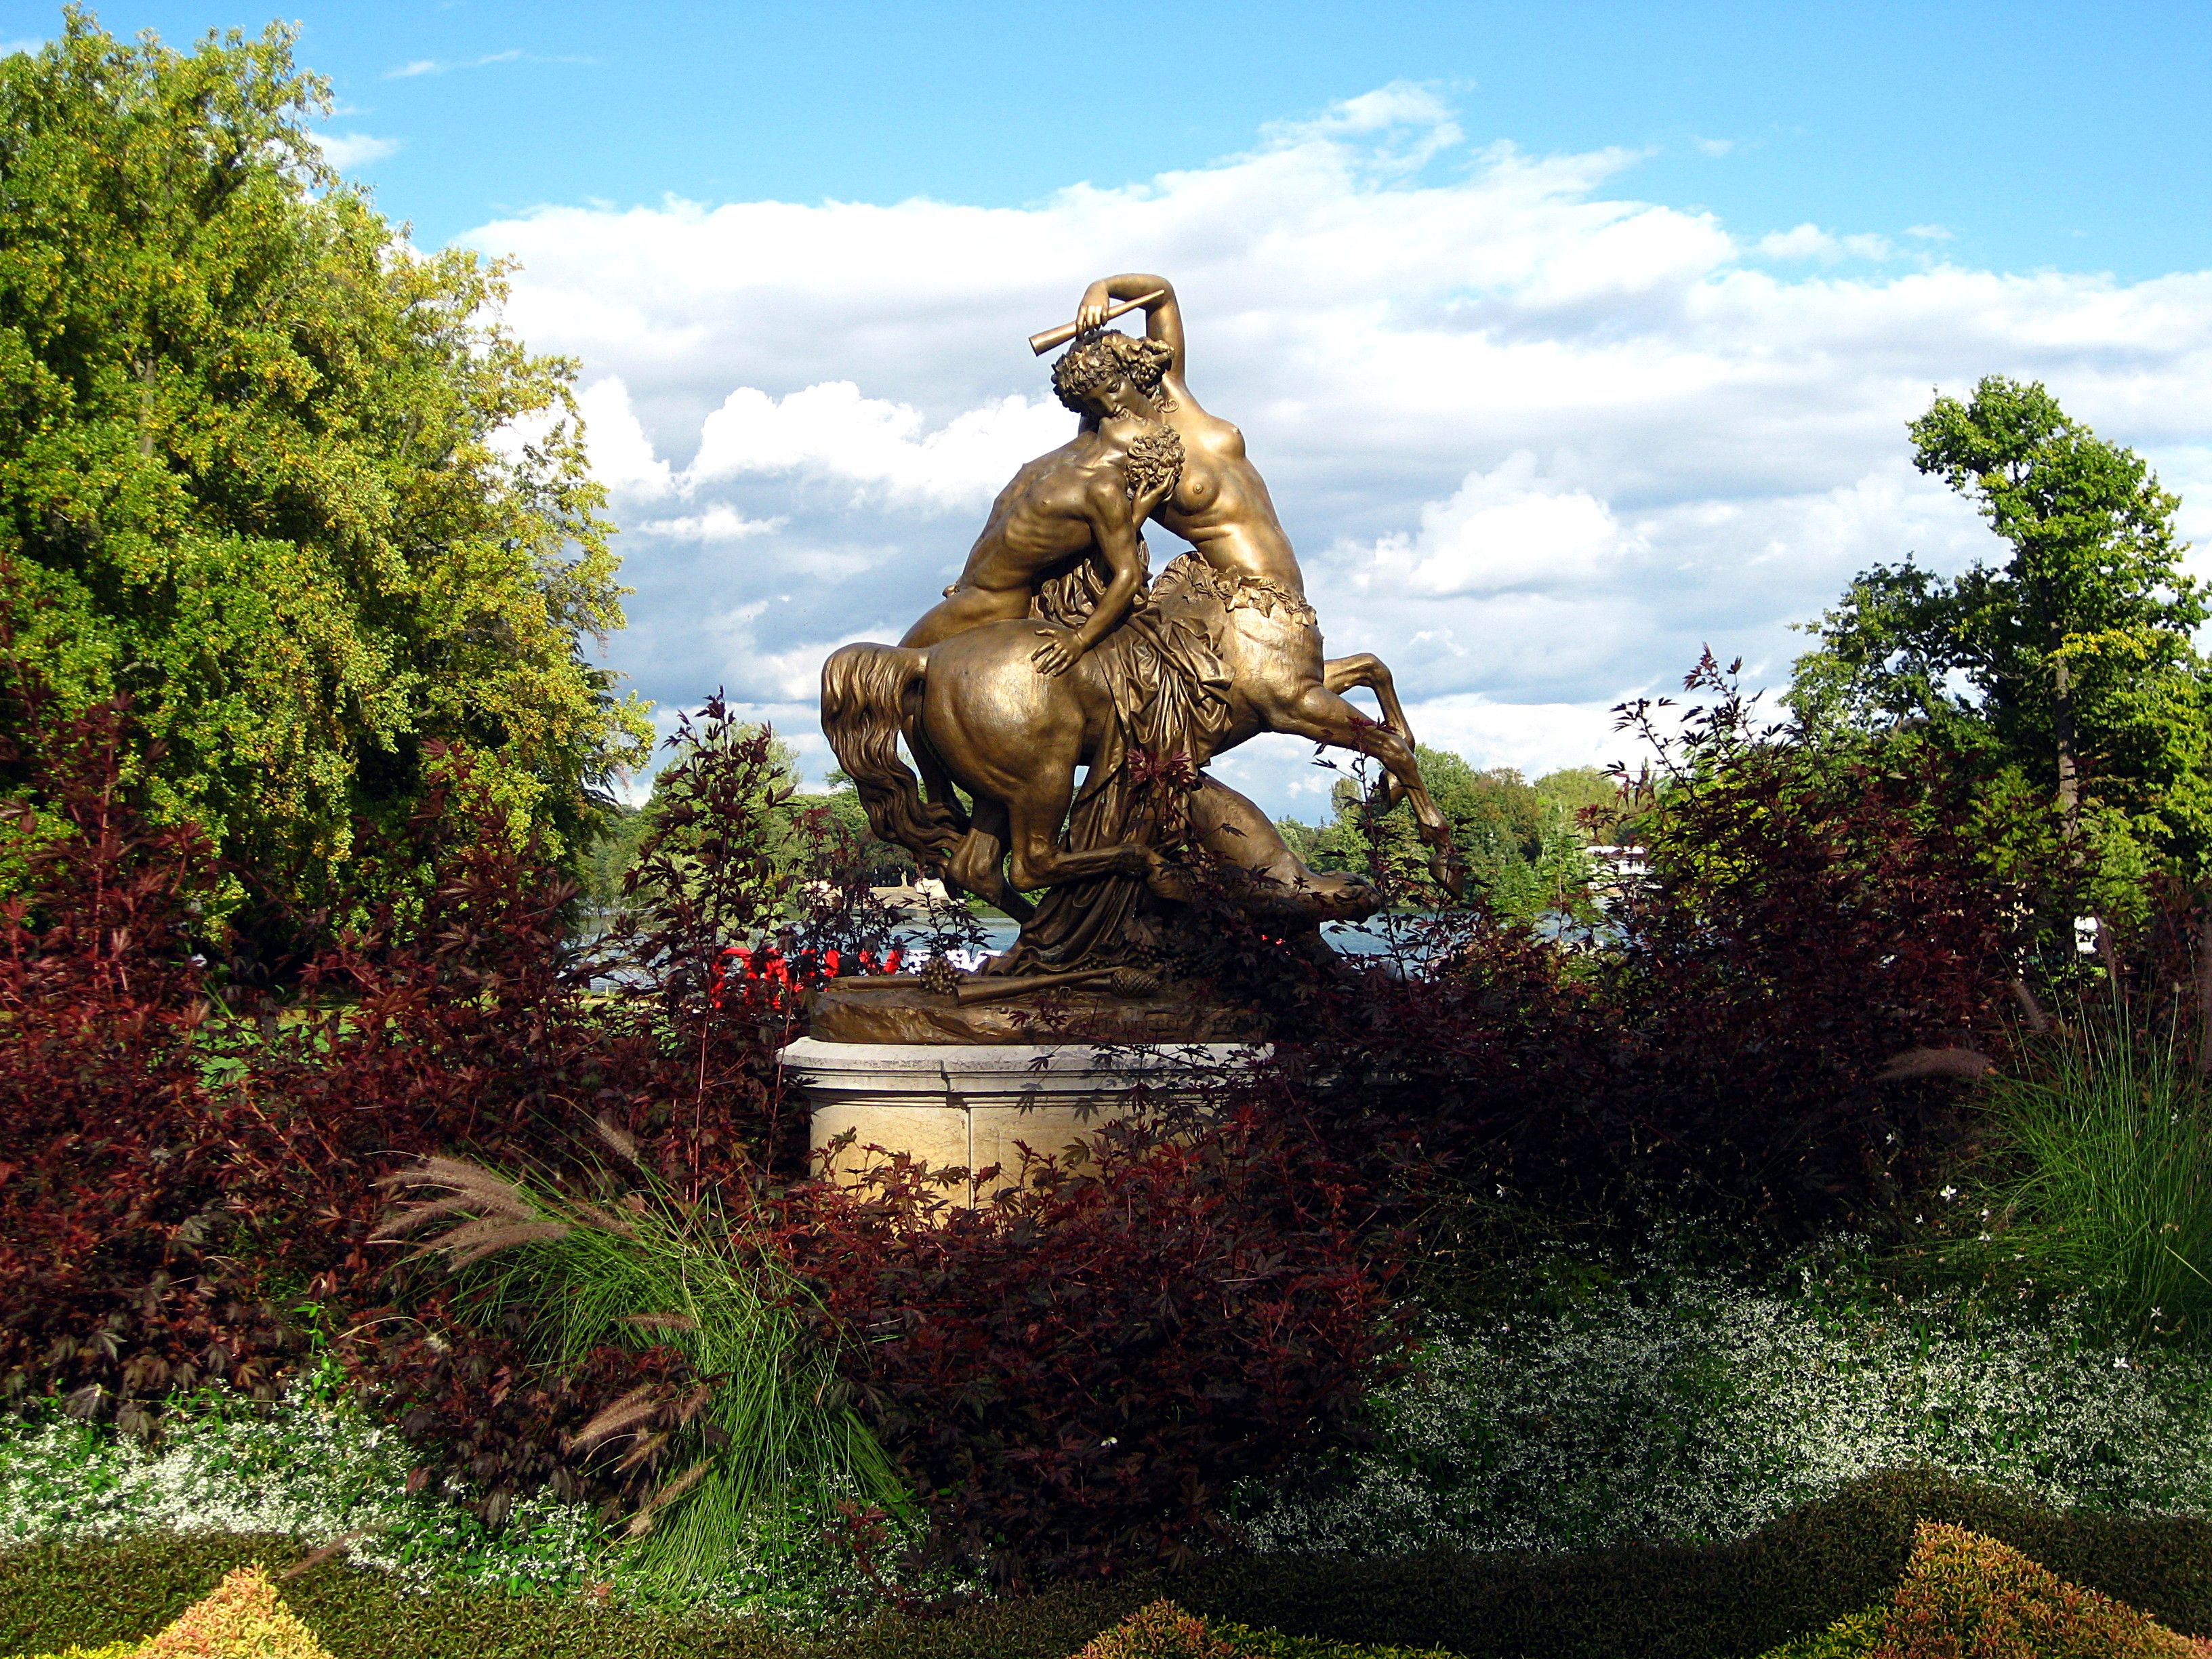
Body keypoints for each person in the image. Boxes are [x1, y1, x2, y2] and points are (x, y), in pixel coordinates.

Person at [899, 335, 1182, 677]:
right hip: (969, 586)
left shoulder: (1103, 488)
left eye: (1143, 425)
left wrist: (1080, 640)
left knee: (899, 662)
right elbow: (1005, 514)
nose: (1120, 411)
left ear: (1137, 454)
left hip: (994, 598)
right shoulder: (1075, 452)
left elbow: (1127, 573)